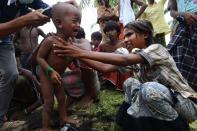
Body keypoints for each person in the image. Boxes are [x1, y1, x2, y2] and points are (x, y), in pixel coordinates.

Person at [53, 20, 197, 131]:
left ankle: (178, 128)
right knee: (130, 83)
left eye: (130, 34)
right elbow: (104, 67)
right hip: (164, 102)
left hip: (185, 105)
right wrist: (73, 54)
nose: (126, 39)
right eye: (125, 35)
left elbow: (125, 59)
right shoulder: (136, 58)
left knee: (147, 88)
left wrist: (78, 52)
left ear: (145, 34)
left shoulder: (157, 49)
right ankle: (141, 124)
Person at [0, 0, 49, 126]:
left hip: (4, 40)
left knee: (11, 74)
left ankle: (0, 118)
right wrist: (26, 19)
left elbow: (47, 8)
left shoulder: (25, 2)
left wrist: (60, 8)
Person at [36, 2, 81, 130]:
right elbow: (39, 58)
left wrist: (76, 65)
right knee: (49, 102)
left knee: (62, 98)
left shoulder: (70, 42)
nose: (78, 25)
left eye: (79, 22)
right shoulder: (50, 41)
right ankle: (45, 127)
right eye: (74, 21)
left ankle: (63, 118)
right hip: (47, 74)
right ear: (59, 23)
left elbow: (71, 56)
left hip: (58, 75)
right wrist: (50, 71)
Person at [167, 0, 197, 91]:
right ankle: (186, 93)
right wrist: (183, 14)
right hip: (183, 25)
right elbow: (172, 11)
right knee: (178, 62)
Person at [99, 20, 132, 90]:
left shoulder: (124, 44)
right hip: (108, 70)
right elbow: (101, 62)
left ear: (117, 31)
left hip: (121, 70)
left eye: (112, 30)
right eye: (107, 31)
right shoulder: (103, 46)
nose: (109, 33)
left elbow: (129, 60)